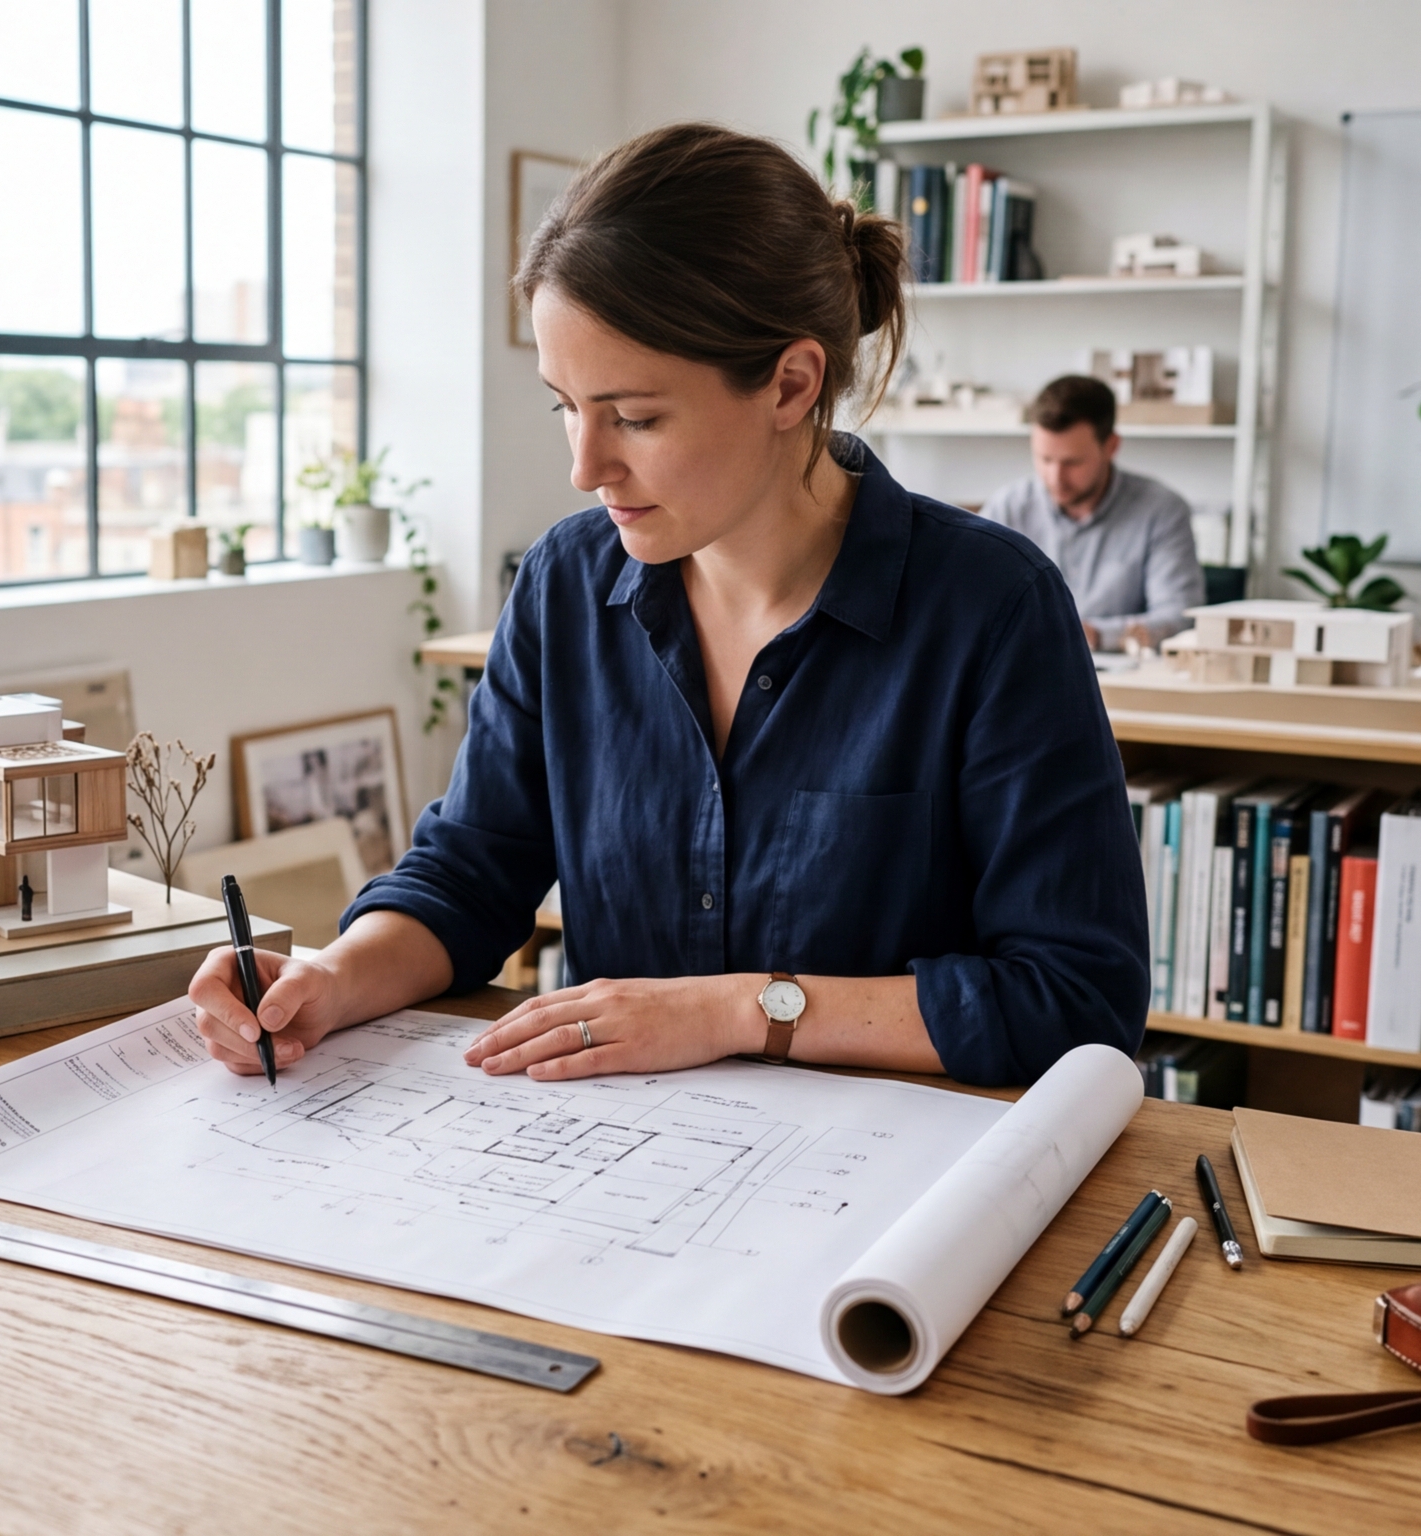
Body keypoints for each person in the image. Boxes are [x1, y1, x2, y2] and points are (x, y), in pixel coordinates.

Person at [186, 123, 1147, 1089]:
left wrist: (736, 1009)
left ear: (791, 382)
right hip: (619, 1172)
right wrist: (329, 978)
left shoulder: (994, 607)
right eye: (564, 404)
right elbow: (472, 871)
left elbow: (1076, 995)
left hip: (888, 1191)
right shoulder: (567, 584)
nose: (583, 466)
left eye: (635, 418)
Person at [978, 374, 1204, 652]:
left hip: (1120, 685)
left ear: (1111, 447)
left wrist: (1093, 635)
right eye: (1045, 459)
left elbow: (1179, 618)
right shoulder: (1008, 507)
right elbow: (974, 606)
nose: (1055, 477)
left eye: (1072, 462)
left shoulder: (1162, 511)